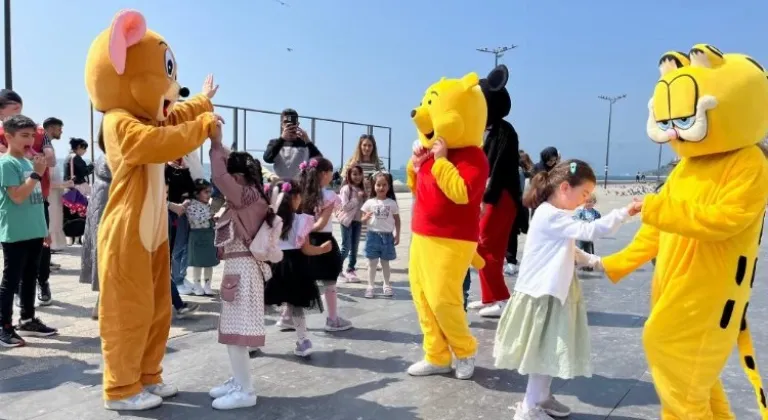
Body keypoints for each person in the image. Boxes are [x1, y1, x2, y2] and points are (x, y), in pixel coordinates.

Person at [493, 160, 640, 420]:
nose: (586, 201)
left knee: (548, 349)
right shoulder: (550, 214)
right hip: (543, 294)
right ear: (564, 187)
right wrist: (625, 212)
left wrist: (594, 261)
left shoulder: (556, 215)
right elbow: (591, 229)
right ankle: (528, 408)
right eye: (584, 194)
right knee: (542, 352)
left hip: (553, 291)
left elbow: (569, 248)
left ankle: (541, 397)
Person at [207, 129, 272, 411]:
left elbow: (220, 177)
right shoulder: (251, 195)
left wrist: (215, 145)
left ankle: (246, 390)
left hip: (243, 269)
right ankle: (239, 380)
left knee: (237, 334)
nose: (227, 183)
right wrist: (220, 147)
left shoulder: (246, 197)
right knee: (234, 332)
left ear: (239, 177)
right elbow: (224, 174)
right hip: (240, 269)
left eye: (232, 176)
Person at [0, 115, 58, 347]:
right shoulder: (7, 164)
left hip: (34, 231)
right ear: (9, 136)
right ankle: (4, 326)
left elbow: (36, 200)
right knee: (11, 280)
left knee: (30, 278)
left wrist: (44, 229)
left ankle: (27, 318)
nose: (30, 140)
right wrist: (36, 174)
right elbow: (16, 197)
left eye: (32, 136)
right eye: (24, 136)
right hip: (15, 232)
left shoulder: (27, 162)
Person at [470, 64, 521, 318]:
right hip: (489, 196)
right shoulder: (483, 131)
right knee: (485, 246)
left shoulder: (504, 131)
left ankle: (502, 298)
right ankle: (489, 295)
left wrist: (485, 196)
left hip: (501, 196)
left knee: (486, 245)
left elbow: (499, 168)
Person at [264, 179, 331, 357]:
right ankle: (303, 341)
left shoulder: (270, 219)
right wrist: (322, 249)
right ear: (295, 197)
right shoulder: (302, 220)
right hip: (296, 265)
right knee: (296, 305)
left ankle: (252, 340)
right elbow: (306, 249)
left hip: (275, 264)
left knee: (263, 302)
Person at [299, 157, 352, 331]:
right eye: (330, 171)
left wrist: (303, 231)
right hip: (323, 239)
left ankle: (288, 318)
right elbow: (321, 223)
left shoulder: (302, 195)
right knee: (329, 279)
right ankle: (332, 319)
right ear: (323, 174)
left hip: (304, 240)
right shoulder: (329, 196)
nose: (332, 174)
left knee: (301, 279)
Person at [80, 127, 110, 320]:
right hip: (107, 205)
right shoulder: (112, 158)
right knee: (107, 251)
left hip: (99, 204)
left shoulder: (102, 157)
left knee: (102, 250)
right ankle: (104, 303)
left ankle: (102, 302)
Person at [360, 172, 400, 299]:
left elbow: (397, 220)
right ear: (374, 186)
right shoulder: (369, 202)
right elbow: (362, 219)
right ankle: (370, 286)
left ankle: (386, 284)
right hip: (373, 236)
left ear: (388, 187)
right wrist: (365, 218)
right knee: (372, 263)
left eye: (384, 185)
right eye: (378, 185)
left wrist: (397, 234)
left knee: (385, 263)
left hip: (387, 237)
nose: (381, 188)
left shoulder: (392, 203)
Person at [166, 154, 199, 295]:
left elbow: (191, 189)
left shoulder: (182, 168)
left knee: (184, 246)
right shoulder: (165, 168)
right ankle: (177, 280)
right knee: (176, 247)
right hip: (170, 212)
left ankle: (180, 276)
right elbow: (164, 192)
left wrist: (185, 170)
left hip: (183, 212)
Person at [262, 108, 321, 180]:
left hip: (300, 187)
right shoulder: (275, 143)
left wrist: (308, 142)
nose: (289, 125)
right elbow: (267, 159)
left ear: (297, 124)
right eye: (286, 122)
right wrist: (282, 139)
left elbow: (320, 162)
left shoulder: (304, 144)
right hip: (281, 187)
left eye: (292, 123)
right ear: (282, 125)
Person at [186, 179, 219, 296]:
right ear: (196, 193)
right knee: (197, 264)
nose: (209, 195)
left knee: (209, 262)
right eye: (206, 192)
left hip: (209, 235)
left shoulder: (208, 205)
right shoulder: (191, 205)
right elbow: (194, 218)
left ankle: (208, 285)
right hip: (197, 236)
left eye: (210, 192)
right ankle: (197, 285)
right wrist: (211, 215)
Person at [505, 151, 534, 276]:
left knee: (510, 234)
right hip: (519, 206)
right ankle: (511, 260)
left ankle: (511, 261)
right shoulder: (522, 171)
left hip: (513, 206)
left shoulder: (517, 171)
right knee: (512, 234)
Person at [336, 164, 366, 282]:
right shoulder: (346, 189)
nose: (357, 177)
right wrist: (356, 199)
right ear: (349, 175)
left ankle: (351, 269)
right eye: (354, 174)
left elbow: (363, 207)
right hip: (347, 221)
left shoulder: (361, 190)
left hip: (357, 221)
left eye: (359, 174)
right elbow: (345, 207)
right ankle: (337, 269)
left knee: (355, 247)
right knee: (346, 247)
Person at [43, 118, 68, 253]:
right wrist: (64, 184)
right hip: (49, 194)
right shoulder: (45, 147)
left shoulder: (48, 145)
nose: (61, 132)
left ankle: (48, 255)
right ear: (51, 128)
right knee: (51, 222)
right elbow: (46, 175)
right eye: (59, 129)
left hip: (52, 192)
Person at [573, 194, 601, 269]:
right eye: (586, 202)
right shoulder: (580, 212)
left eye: (590, 202)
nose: (588, 204)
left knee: (588, 250)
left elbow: (599, 222)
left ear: (594, 202)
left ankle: (588, 265)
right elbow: (575, 218)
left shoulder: (596, 213)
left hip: (589, 235)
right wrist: (584, 222)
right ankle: (576, 263)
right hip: (580, 235)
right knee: (579, 249)